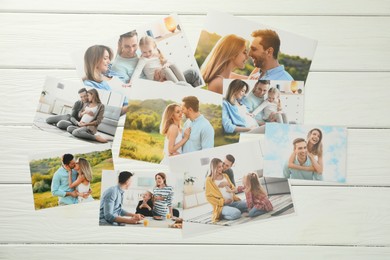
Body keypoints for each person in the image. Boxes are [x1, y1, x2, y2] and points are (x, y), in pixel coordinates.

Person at [111, 30, 203, 87]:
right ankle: (182, 88)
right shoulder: (119, 67)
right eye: (127, 46)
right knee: (167, 72)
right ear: (120, 44)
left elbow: (164, 60)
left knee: (192, 73)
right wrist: (131, 83)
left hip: (166, 76)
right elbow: (137, 72)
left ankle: (184, 85)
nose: (132, 50)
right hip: (156, 84)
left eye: (134, 45)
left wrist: (165, 64)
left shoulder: (142, 50)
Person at [83, 44, 128, 115]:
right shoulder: (89, 85)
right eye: (105, 58)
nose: (109, 62)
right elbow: (105, 111)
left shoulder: (108, 75)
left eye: (109, 58)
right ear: (95, 60)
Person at [205, 158, 247, 223]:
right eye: (219, 167)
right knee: (237, 214)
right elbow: (209, 197)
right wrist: (223, 202)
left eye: (222, 166)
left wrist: (227, 184)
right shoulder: (209, 180)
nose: (221, 168)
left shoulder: (225, 175)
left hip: (233, 202)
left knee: (248, 204)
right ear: (214, 167)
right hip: (222, 206)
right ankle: (221, 215)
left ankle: (231, 211)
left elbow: (233, 188)